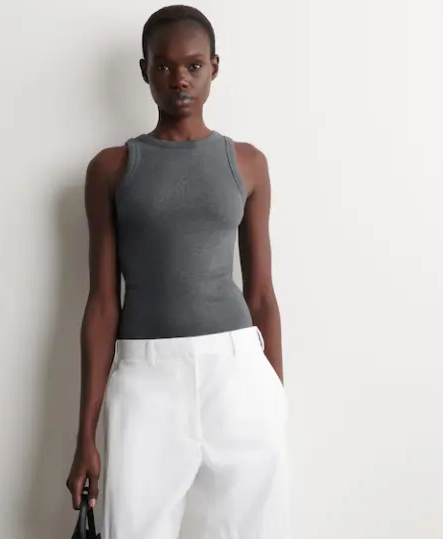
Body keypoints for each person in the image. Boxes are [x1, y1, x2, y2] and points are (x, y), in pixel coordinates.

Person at [66, 5, 289, 538]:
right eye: (164, 66)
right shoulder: (112, 168)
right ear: (145, 71)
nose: (180, 79)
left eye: (193, 65)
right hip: (147, 378)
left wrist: (277, 400)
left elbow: (261, 294)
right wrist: (85, 436)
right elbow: (103, 303)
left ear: (214, 67)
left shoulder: (248, 163)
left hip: (238, 373)